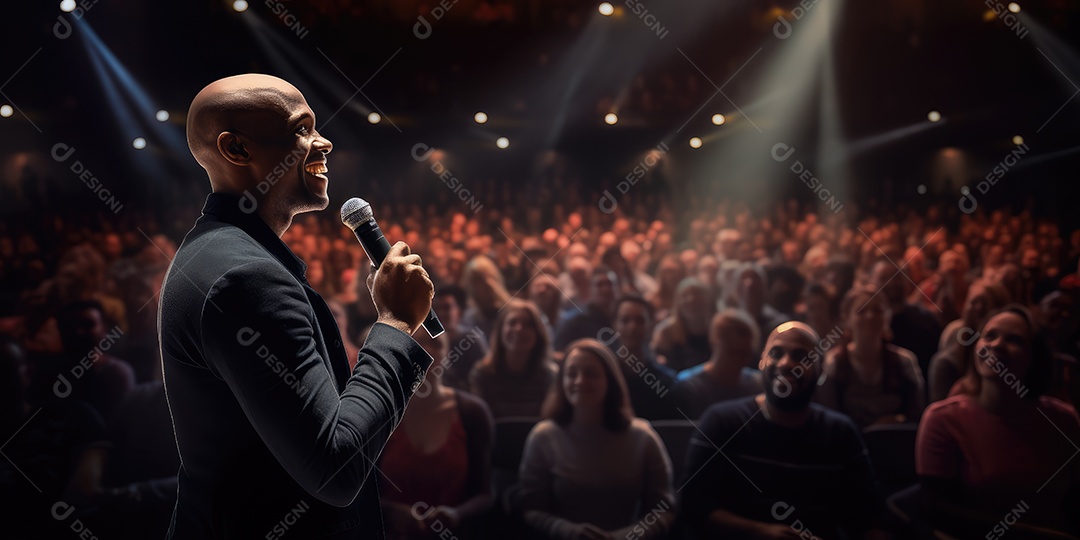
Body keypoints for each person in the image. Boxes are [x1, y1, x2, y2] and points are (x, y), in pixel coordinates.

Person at [159, 74, 435, 539]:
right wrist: (395, 323)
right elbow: (335, 466)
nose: (323, 142)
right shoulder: (246, 279)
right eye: (301, 129)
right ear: (238, 150)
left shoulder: (218, 251)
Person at [681, 322, 890, 539]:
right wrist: (759, 531)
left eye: (801, 356)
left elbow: (872, 516)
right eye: (776, 353)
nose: (786, 363)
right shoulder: (722, 422)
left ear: (820, 370)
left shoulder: (840, 433)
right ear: (762, 361)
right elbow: (692, 505)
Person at [917, 306, 1080, 537]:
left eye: (1013, 340)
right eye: (989, 336)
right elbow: (940, 513)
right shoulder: (943, 419)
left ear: (1034, 358)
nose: (996, 345)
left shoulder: (1063, 419)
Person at [517, 339, 676, 539]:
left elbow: (663, 510)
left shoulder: (642, 437)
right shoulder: (543, 437)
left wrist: (626, 536)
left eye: (591, 374)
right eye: (571, 374)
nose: (580, 381)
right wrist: (568, 531)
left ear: (610, 381)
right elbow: (531, 508)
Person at [380, 330, 494, 540]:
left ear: (448, 355)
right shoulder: (383, 411)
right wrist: (390, 511)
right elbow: (360, 490)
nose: (427, 351)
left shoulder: (472, 413)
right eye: (418, 342)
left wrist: (456, 514)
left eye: (436, 344)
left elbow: (485, 494)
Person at [816, 286, 926, 429]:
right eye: (861, 311)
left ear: (886, 317)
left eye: (877, 310)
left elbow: (917, 414)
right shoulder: (835, 363)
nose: (870, 316)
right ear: (847, 318)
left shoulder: (904, 361)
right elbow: (829, 417)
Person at [469, 299, 557, 419]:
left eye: (527, 324)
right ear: (501, 331)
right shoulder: (482, 374)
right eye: (512, 323)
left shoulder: (550, 376)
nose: (519, 329)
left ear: (538, 334)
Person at [599, 295, 678, 420]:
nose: (632, 327)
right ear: (614, 325)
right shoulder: (603, 379)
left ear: (650, 325)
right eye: (625, 320)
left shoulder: (667, 383)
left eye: (640, 320)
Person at [674, 310, 763, 419]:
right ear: (715, 341)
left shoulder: (757, 385)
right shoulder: (688, 387)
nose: (740, 360)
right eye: (734, 353)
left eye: (745, 353)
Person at [651, 277, 715, 372]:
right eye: (685, 295)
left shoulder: (717, 329)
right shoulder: (665, 331)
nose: (691, 299)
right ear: (677, 301)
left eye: (697, 294)